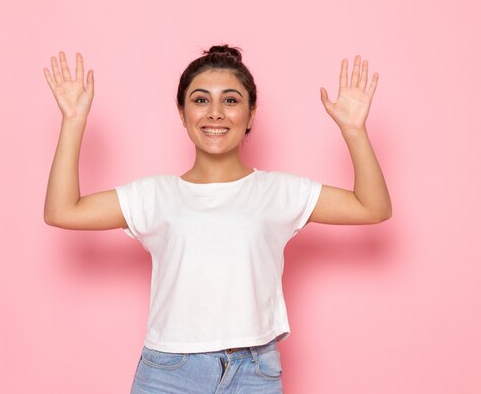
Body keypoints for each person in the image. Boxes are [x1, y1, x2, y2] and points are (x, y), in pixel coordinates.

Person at [43, 45, 391, 394]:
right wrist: (73, 122)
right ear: (182, 113)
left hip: (254, 373)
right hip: (169, 372)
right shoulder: (154, 196)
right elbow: (63, 211)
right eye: (200, 100)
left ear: (251, 114)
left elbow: (371, 208)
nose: (215, 113)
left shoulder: (278, 191)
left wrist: (354, 130)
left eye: (230, 100)